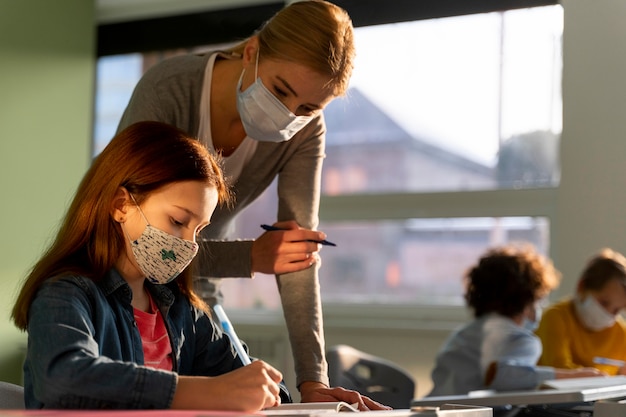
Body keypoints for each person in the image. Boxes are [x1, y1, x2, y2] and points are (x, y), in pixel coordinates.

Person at [115, 0, 373, 406]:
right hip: (120, 290)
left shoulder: (305, 133)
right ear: (251, 52)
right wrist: (249, 257)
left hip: (195, 299)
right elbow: (130, 243)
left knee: (271, 402)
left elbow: (296, 257)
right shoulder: (170, 90)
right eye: (280, 90)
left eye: (307, 108)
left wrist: (313, 384)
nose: (288, 114)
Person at [11, 121, 286, 410]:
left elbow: (248, 378)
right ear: (121, 205)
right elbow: (63, 379)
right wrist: (207, 392)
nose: (189, 244)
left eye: (199, 229)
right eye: (178, 221)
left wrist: (268, 388)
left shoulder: (182, 311)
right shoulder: (65, 294)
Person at [427, 245, 602, 397]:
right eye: (538, 300)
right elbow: (502, 376)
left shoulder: (462, 336)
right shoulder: (520, 340)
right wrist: (574, 376)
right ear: (527, 302)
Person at [536, 248, 626, 375]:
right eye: (604, 303)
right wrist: (596, 378)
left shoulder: (621, 332)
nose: (608, 314)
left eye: (616, 310)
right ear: (582, 286)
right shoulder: (555, 317)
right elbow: (558, 368)